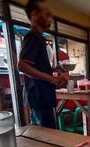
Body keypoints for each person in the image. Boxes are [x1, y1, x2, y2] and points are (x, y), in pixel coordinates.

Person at [18, 0, 67, 128]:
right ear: (35, 15)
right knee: (47, 140)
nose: (50, 18)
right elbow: (22, 66)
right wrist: (52, 79)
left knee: (45, 138)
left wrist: (53, 70)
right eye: (46, 14)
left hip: (42, 97)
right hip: (40, 97)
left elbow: (35, 67)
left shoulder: (39, 38)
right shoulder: (32, 37)